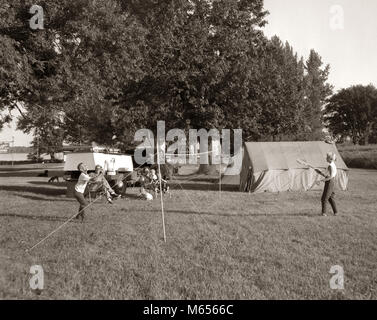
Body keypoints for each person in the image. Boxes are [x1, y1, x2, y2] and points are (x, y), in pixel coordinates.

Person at [321, 152, 338, 216]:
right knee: (331, 198)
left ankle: (324, 213)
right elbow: (327, 175)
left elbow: (330, 176)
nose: (326, 158)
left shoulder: (330, 166)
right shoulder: (332, 164)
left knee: (324, 198)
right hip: (332, 181)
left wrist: (322, 180)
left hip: (330, 182)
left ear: (330, 159)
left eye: (327, 157)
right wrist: (319, 172)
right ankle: (336, 212)